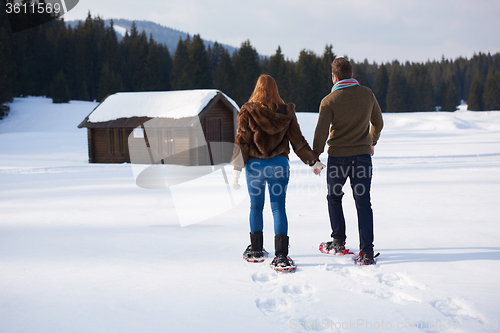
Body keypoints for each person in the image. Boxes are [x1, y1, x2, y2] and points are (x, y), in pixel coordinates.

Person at [230, 74, 323, 271]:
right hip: (280, 165)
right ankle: (281, 256)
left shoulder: (247, 111)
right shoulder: (285, 112)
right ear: (275, 89)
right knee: (278, 208)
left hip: (255, 166)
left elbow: (242, 142)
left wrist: (236, 170)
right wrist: (313, 162)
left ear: (257, 89)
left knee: (256, 207)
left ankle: (256, 250)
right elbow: (298, 141)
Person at [312, 57, 383, 265]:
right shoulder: (367, 94)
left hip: (338, 159)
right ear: (351, 74)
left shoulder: (329, 101)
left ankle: (338, 241)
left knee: (334, 198)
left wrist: (314, 159)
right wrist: (371, 142)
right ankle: (367, 252)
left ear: (334, 76)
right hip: (362, 157)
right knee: (363, 203)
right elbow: (378, 122)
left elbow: (320, 133)